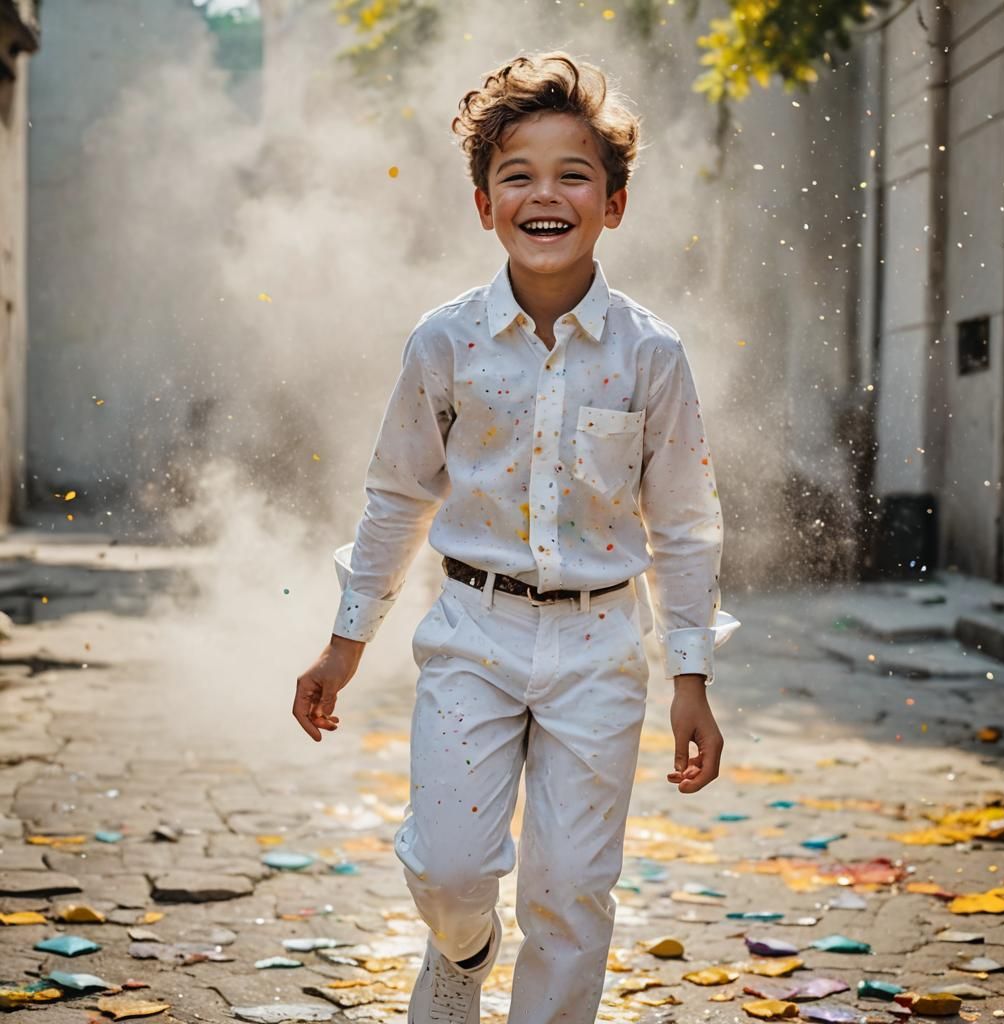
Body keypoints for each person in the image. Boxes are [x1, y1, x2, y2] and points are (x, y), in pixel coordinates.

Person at [292, 50, 739, 1024]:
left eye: (573, 173)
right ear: (483, 203)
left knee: (571, 893)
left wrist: (692, 679)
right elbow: (395, 494)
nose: (546, 194)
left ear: (613, 204)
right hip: (471, 633)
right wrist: (343, 644)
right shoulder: (442, 343)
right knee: (448, 865)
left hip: (600, 647)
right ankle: (460, 949)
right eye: (517, 175)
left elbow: (686, 522)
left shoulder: (652, 354)